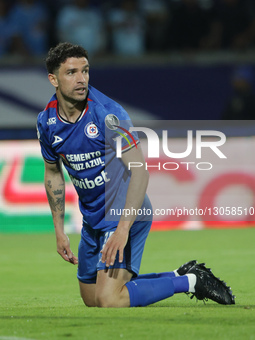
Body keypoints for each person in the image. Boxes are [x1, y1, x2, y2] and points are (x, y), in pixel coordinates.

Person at [37, 42, 235, 308]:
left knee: (109, 299)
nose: (81, 79)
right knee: (92, 299)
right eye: (71, 72)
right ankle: (182, 275)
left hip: (126, 212)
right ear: (53, 79)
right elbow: (53, 173)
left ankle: (190, 283)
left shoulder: (108, 115)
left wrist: (122, 230)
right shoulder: (46, 122)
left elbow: (139, 172)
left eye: (85, 71)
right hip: (93, 217)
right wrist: (59, 231)